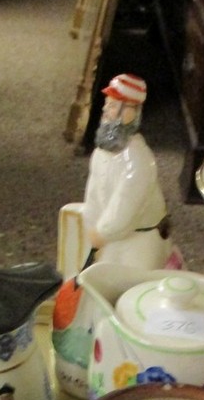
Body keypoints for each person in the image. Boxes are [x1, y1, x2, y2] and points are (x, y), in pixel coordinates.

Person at [78, 73, 183, 270]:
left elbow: (125, 204)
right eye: (107, 103)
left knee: (132, 284)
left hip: (140, 239)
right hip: (110, 237)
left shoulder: (137, 160)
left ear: (129, 113)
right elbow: (94, 193)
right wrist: (91, 224)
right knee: (100, 279)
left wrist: (102, 233)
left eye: (111, 105)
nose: (105, 110)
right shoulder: (102, 152)